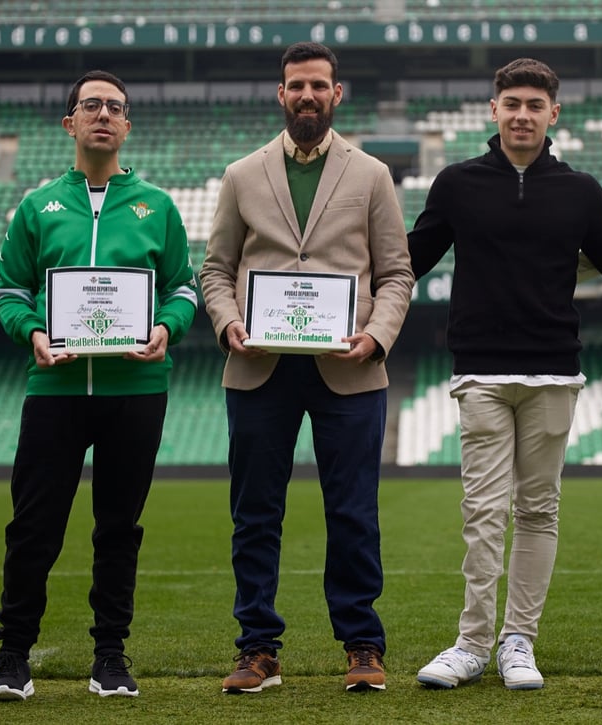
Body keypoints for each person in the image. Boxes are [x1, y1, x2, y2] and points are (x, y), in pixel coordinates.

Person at [408, 58, 602, 691]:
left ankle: (518, 642)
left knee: (539, 510)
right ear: (492, 111)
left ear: (554, 113)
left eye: (534, 104)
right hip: (480, 371)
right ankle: (472, 643)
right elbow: (407, 262)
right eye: (512, 103)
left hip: (554, 371)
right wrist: (344, 302)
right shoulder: (455, 184)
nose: (522, 114)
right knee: (483, 511)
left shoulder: (580, 191)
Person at [199, 41, 414, 694]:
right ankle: (257, 647)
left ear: (336, 94)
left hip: (348, 367)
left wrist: (375, 338)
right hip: (259, 366)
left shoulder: (372, 175)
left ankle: (362, 642)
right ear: (280, 93)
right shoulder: (242, 174)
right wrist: (229, 321)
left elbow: (397, 273)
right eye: (296, 85)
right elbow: (215, 269)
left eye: (319, 85)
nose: (307, 96)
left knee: (353, 510)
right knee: (255, 512)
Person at [0, 70, 198, 702]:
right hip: (53, 388)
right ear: (70, 122)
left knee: (118, 527)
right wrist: (32, 334)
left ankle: (110, 656)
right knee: (33, 527)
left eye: (115, 106)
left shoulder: (157, 206)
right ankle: (12, 655)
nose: (103, 114)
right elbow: (8, 290)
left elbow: (184, 286)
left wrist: (168, 326)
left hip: (136, 388)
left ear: (127, 125)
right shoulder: (37, 204)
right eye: (91, 105)